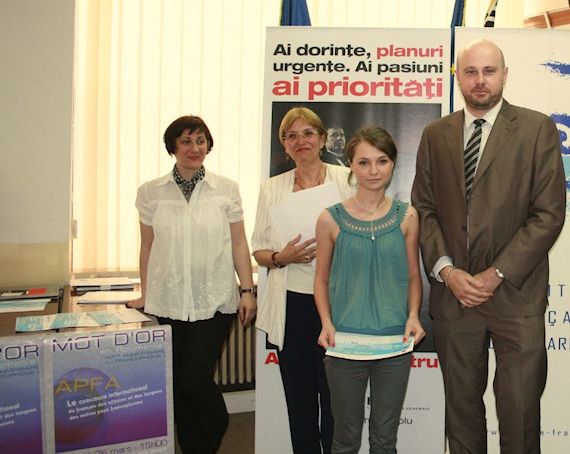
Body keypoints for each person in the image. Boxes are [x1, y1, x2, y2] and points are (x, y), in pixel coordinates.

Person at [411, 38, 566, 454]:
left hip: (516, 294)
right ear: (457, 76)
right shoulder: (435, 134)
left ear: (504, 74)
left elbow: (548, 214)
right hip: (454, 296)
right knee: (461, 411)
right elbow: (423, 209)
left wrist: (496, 274)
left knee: (519, 409)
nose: (480, 81)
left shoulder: (537, 129)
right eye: (471, 72)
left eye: (489, 71)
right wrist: (447, 271)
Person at [127, 115, 256, 454]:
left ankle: (218, 423)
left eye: (200, 141)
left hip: (214, 299)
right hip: (168, 301)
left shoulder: (225, 188)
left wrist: (247, 289)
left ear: (208, 146)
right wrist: (146, 293)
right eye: (186, 141)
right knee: (177, 386)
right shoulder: (150, 192)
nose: (194, 148)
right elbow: (148, 246)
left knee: (193, 379)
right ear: (173, 147)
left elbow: (239, 242)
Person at [313, 125, 425, 454]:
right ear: (350, 164)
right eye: (364, 162)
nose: (373, 171)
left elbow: (413, 276)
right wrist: (327, 323)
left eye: (382, 161)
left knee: (385, 439)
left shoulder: (408, 216)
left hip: (395, 345)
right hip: (344, 345)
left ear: (392, 164)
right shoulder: (329, 219)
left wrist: (414, 315)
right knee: (345, 439)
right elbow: (320, 278)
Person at [252, 107, 356, 454]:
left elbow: (367, 231)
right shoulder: (271, 189)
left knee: (336, 400)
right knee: (299, 401)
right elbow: (260, 251)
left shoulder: (348, 180)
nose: (301, 141)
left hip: (338, 305)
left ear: (323, 139)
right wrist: (283, 257)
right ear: (284, 145)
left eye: (308, 133)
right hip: (292, 305)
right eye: (291, 135)